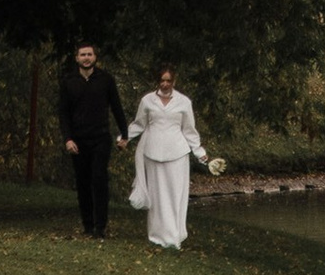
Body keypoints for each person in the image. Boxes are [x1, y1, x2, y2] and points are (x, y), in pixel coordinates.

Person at [124, 66, 212, 251]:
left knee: (174, 194)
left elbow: (189, 130)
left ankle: (173, 237)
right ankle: (156, 236)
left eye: (168, 81)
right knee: (157, 196)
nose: (164, 84)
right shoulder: (147, 100)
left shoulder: (183, 102)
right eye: (162, 80)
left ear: (174, 82)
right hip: (153, 152)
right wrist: (124, 138)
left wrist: (199, 152)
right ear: (158, 81)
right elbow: (139, 124)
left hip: (177, 154)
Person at [57, 41, 129, 238]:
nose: (86, 58)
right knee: (82, 182)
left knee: (99, 179)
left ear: (95, 57)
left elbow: (116, 108)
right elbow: (63, 114)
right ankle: (87, 225)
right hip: (78, 140)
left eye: (89, 54)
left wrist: (125, 134)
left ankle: (100, 228)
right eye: (83, 55)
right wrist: (68, 139)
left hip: (100, 138)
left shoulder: (106, 80)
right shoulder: (68, 81)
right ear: (77, 58)